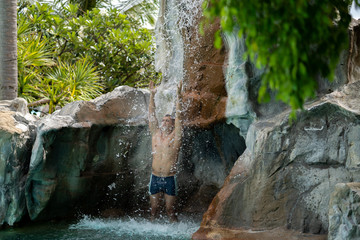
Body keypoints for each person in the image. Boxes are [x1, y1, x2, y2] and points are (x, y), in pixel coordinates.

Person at [148, 80, 182, 222]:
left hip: (169, 178)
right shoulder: (155, 134)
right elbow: (151, 114)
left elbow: (180, 117)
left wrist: (179, 97)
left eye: (168, 120)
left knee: (170, 210)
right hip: (155, 177)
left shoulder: (176, 137)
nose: (164, 122)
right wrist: (152, 95)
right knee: (153, 210)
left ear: (173, 124)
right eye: (163, 120)